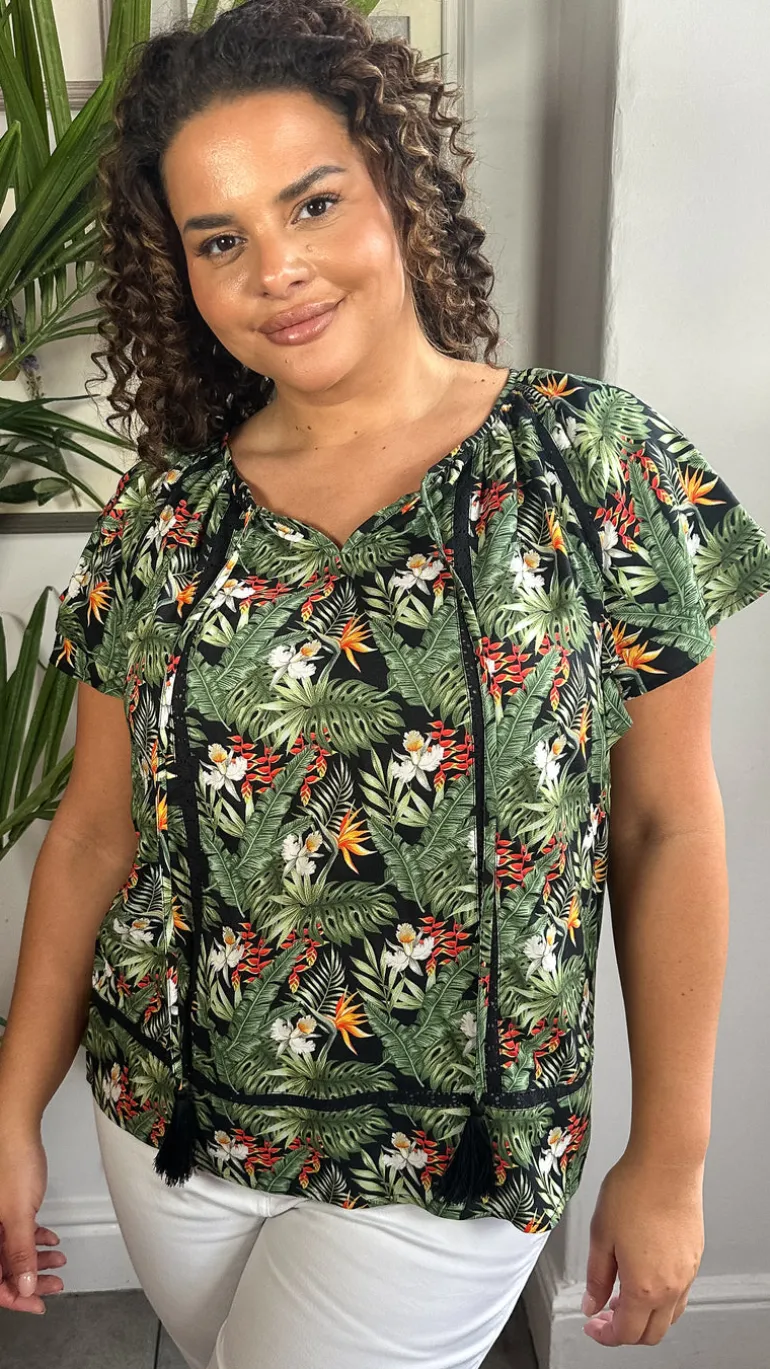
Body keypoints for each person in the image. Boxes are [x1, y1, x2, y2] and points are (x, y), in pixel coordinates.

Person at [1, 1, 769, 1365]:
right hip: (167, 1121)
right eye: (219, 240)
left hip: (451, 1158)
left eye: (313, 203)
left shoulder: (589, 461)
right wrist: (9, 1116)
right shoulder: (164, 519)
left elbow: (665, 826)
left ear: (400, 186)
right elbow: (94, 835)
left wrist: (671, 1157)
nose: (277, 270)